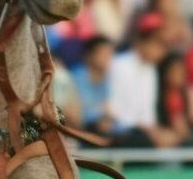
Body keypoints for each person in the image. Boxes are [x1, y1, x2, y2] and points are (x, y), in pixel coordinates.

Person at [107, 14, 178, 147]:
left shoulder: (151, 71)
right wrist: (149, 131)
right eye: (159, 44)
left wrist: (156, 131)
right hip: (122, 131)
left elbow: (148, 113)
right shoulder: (119, 65)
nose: (162, 51)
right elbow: (114, 111)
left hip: (143, 132)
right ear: (143, 40)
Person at [73, 35, 116, 138]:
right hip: (80, 130)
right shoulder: (77, 78)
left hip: (100, 130)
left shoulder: (106, 80)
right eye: (103, 54)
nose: (108, 58)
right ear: (89, 56)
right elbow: (78, 116)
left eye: (110, 54)